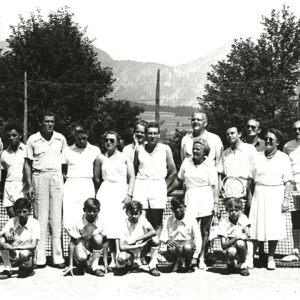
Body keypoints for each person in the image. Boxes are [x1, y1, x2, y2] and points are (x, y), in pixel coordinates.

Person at [23, 111, 67, 268]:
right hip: (39, 176)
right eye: (47, 121)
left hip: (56, 177)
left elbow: (64, 164)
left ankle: (58, 258)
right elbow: (27, 163)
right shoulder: (32, 139)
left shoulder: (60, 138)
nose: (50, 124)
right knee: (40, 218)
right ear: (40, 122)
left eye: (52, 122)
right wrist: (29, 184)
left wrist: (62, 180)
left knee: (56, 218)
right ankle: (39, 258)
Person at [167, 137, 219, 270]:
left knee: (205, 231)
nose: (195, 151)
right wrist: (166, 191)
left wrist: (216, 203)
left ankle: (201, 257)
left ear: (205, 151)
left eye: (198, 149)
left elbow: (214, 187)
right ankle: (187, 258)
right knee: (190, 229)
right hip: (190, 197)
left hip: (206, 198)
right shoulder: (186, 162)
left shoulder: (210, 165)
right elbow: (179, 180)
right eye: (193, 148)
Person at [249, 128, 292, 270]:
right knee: (256, 226)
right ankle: (250, 258)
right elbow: (251, 180)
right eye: (266, 138)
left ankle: (270, 258)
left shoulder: (284, 158)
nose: (267, 141)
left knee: (273, 227)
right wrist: (249, 198)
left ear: (278, 142)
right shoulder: (256, 157)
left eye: (271, 139)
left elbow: (287, 181)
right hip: (259, 194)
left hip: (276, 194)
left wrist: (286, 199)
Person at [94, 130, 135, 269]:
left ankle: (121, 256)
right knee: (107, 226)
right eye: (106, 140)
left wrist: (129, 194)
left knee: (120, 225)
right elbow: (97, 178)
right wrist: (104, 191)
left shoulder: (126, 157)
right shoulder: (100, 158)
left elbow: (132, 177)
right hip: (105, 193)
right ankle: (111, 259)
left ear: (118, 141)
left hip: (121, 192)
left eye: (112, 140)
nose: (109, 143)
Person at [133, 122, 177, 237]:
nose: (152, 136)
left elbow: (173, 172)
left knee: (157, 222)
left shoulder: (165, 149)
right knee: (140, 219)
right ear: (146, 135)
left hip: (158, 185)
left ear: (159, 135)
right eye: (150, 133)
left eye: (155, 133)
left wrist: (163, 187)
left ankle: (154, 252)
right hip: (141, 185)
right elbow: (134, 169)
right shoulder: (139, 149)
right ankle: (141, 252)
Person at [62, 123, 101, 230]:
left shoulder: (95, 150)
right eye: (79, 139)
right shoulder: (67, 150)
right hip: (71, 184)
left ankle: (87, 242)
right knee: (70, 215)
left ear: (88, 135)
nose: (82, 141)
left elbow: (98, 172)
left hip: (87, 183)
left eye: (84, 138)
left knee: (88, 213)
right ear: (74, 136)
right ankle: (73, 242)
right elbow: (63, 172)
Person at [63, 198, 108, 277]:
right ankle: (81, 264)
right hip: (82, 245)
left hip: (93, 246)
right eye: (89, 211)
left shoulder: (102, 221)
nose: (92, 214)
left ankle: (95, 266)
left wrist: (105, 263)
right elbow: (72, 243)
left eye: (95, 211)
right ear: (84, 210)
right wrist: (70, 265)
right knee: (81, 257)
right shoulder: (77, 221)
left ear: (99, 210)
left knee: (98, 238)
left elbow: (104, 242)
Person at [117, 201, 160, 276]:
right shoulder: (122, 223)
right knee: (121, 258)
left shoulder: (142, 219)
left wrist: (138, 239)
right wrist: (137, 246)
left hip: (143, 249)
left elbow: (153, 232)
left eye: (136, 214)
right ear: (126, 212)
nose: (133, 216)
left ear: (140, 213)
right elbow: (121, 247)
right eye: (131, 213)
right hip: (130, 250)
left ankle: (153, 266)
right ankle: (129, 263)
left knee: (155, 239)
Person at [0, 198, 40, 279]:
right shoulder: (12, 220)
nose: (21, 214)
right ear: (15, 211)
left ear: (29, 210)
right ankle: (7, 268)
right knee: (1, 240)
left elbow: (33, 245)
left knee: (25, 254)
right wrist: (5, 232)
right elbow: (2, 234)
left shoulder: (35, 223)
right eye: (18, 212)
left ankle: (29, 267)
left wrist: (14, 247)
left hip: (26, 252)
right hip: (14, 252)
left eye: (24, 211)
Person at [160, 195, 201, 273]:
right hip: (175, 245)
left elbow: (197, 237)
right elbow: (163, 235)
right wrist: (168, 240)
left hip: (187, 244)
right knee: (171, 248)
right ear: (171, 209)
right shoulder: (168, 219)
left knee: (188, 248)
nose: (177, 210)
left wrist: (195, 257)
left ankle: (188, 262)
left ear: (184, 207)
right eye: (175, 208)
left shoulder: (191, 219)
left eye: (180, 207)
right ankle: (176, 262)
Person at [218, 125, 257, 203]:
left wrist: (250, 196)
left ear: (239, 134)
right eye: (227, 134)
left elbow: (254, 174)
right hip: (228, 194)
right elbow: (221, 174)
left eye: (232, 133)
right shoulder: (225, 153)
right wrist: (220, 191)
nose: (230, 136)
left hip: (245, 193)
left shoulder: (250, 149)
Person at [218, 198, 251, 276]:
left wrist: (245, 232)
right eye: (231, 210)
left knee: (240, 243)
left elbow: (247, 236)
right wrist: (237, 237)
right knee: (232, 251)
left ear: (240, 211)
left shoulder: (243, 218)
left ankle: (243, 265)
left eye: (236, 210)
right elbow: (223, 245)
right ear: (227, 210)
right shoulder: (223, 222)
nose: (233, 213)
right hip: (230, 247)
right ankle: (230, 263)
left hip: (243, 246)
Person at [1, 122, 26, 218]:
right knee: (13, 220)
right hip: (8, 186)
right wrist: (2, 190)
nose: (11, 138)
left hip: (22, 186)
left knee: (22, 218)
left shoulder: (27, 150)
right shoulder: (4, 153)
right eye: (9, 136)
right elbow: (3, 173)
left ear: (20, 135)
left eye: (14, 135)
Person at [283, 120, 300, 253]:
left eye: (299, 129)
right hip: (295, 188)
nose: (297, 132)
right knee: (296, 219)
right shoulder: (288, 146)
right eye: (295, 129)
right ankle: (296, 249)